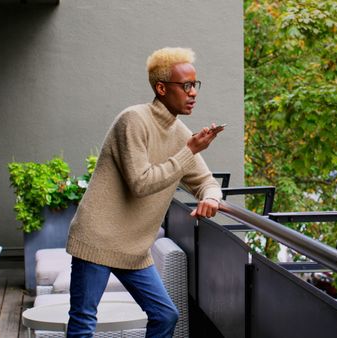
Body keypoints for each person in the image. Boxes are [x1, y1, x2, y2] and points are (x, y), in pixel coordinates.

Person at [65, 47, 224, 337]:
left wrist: (211, 197)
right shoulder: (133, 121)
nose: (193, 93)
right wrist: (189, 151)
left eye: (195, 85)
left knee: (165, 315)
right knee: (83, 322)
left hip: (134, 248)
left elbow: (206, 181)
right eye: (186, 85)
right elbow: (141, 183)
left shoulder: (180, 134)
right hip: (98, 239)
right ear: (162, 88)